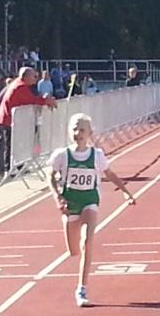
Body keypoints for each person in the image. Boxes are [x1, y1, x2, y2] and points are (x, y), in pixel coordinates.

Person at [48, 113, 135, 306]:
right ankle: (74, 239)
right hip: (71, 204)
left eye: (82, 130)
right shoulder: (62, 155)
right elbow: (50, 176)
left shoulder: (97, 155)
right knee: (73, 251)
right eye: (75, 129)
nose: (78, 133)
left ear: (90, 133)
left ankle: (81, 288)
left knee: (87, 242)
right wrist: (57, 196)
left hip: (90, 201)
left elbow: (110, 174)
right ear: (69, 132)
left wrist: (126, 192)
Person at [0, 67, 58, 177]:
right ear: (26, 76)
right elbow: (31, 100)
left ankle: (18, 166)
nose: (36, 78)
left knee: (16, 144)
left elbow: (32, 99)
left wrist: (45, 99)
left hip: (11, 119)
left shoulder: (22, 85)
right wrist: (46, 100)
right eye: (34, 76)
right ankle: (7, 169)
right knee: (9, 145)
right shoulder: (20, 87)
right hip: (7, 120)